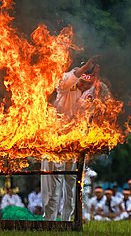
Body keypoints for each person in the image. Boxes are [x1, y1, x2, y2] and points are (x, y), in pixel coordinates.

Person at [41, 55, 100, 221]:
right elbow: (64, 83)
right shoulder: (67, 82)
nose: (85, 85)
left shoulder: (91, 89)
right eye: (83, 81)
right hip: (54, 140)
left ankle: (68, 221)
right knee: (52, 185)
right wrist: (86, 66)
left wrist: (96, 74)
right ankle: (49, 222)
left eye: (89, 83)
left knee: (73, 184)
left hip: (75, 143)